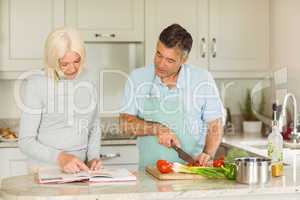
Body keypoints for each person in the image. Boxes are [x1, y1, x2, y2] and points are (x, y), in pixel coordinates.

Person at [120, 24, 225, 169]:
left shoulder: (202, 79)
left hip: (191, 173)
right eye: (158, 55)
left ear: (184, 59)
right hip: (149, 174)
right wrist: (157, 129)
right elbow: (125, 124)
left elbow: (215, 124)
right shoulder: (138, 77)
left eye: (169, 60)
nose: (161, 64)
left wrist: (208, 153)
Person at [18, 27, 101, 174]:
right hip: (44, 168)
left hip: (80, 168)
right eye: (64, 64)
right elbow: (25, 141)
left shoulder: (89, 78)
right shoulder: (37, 82)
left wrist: (93, 156)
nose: (72, 69)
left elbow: (94, 125)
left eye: (77, 61)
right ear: (52, 61)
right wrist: (60, 158)